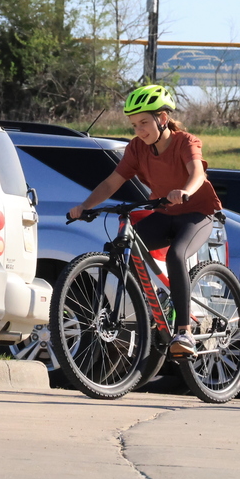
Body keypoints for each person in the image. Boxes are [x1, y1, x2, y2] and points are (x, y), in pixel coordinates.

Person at [68, 84, 223, 358]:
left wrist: (185, 191)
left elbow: (197, 173)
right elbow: (111, 183)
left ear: (162, 118)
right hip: (164, 214)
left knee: (177, 255)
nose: (139, 130)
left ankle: (184, 330)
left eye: (143, 122)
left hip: (197, 214)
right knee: (119, 250)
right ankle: (150, 311)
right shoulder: (137, 149)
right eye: (134, 124)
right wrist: (84, 206)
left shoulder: (184, 141)